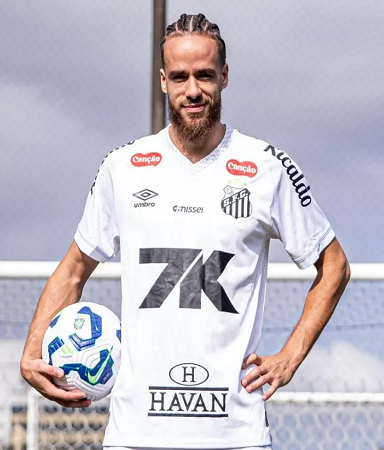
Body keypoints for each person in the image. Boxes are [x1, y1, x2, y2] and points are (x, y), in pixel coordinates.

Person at [20, 13, 350, 450]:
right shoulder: (123, 167)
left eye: (204, 75)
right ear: (163, 81)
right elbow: (74, 269)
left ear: (224, 76)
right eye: (180, 77)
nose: (192, 90)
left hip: (234, 434)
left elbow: (334, 266)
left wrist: (290, 357)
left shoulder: (267, 167)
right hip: (136, 434)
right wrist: (32, 351)